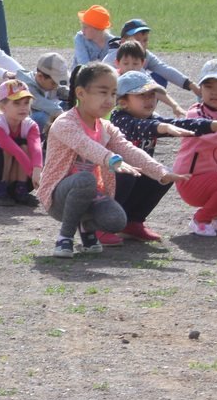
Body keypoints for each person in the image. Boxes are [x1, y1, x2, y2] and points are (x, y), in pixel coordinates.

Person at [38, 63, 182, 258]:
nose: (109, 99)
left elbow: (128, 149)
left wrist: (161, 172)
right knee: (85, 179)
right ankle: (65, 237)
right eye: (103, 92)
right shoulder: (65, 123)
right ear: (81, 93)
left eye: (113, 93)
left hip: (90, 194)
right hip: (58, 198)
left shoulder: (106, 127)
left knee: (117, 221)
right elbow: (86, 146)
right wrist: (113, 160)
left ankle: (87, 228)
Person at [110, 70, 217, 243]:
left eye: (152, 95)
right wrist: (163, 128)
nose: (149, 100)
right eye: (142, 95)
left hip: (134, 174)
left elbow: (180, 123)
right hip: (107, 179)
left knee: (163, 175)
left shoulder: (152, 118)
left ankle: (132, 222)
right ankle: (103, 226)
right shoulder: (118, 119)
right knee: (127, 175)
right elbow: (140, 127)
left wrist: (216, 125)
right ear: (123, 102)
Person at [173, 59, 217, 237]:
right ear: (201, 89)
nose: (214, 92)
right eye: (208, 86)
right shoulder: (195, 114)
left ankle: (215, 215)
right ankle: (201, 219)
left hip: (212, 181)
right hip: (190, 180)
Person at [0, 79, 43, 206]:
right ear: (2, 107)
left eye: (26, 103)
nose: (23, 107)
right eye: (17, 103)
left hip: (21, 171)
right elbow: (15, 151)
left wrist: (38, 170)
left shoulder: (31, 125)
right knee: (7, 149)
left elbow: (36, 148)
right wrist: (32, 172)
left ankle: (20, 188)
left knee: (25, 146)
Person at [104, 18, 201, 98]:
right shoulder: (113, 57)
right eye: (137, 40)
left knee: (160, 77)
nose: (142, 44)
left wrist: (191, 85)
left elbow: (164, 69)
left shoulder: (145, 54)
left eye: (145, 40)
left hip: (134, 95)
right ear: (123, 41)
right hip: (115, 97)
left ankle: (145, 107)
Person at [114, 40, 186, 117]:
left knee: (157, 117)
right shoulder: (114, 78)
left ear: (142, 63)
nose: (131, 67)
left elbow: (157, 92)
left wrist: (174, 105)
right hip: (119, 113)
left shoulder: (143, 77)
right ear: (117, 63)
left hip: (139, 111)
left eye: (135, 63)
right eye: (126, 63)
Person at [15, 52, 68, 137]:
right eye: (54, 83)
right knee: (41, 117)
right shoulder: (25, 85)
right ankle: (44, 141)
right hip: (24, 123)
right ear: (40, 77)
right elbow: (38, 101)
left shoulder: (48, 83)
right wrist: (61, 113)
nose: (56, 86)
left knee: (71, 102)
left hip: (48, 111)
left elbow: (62, 90)